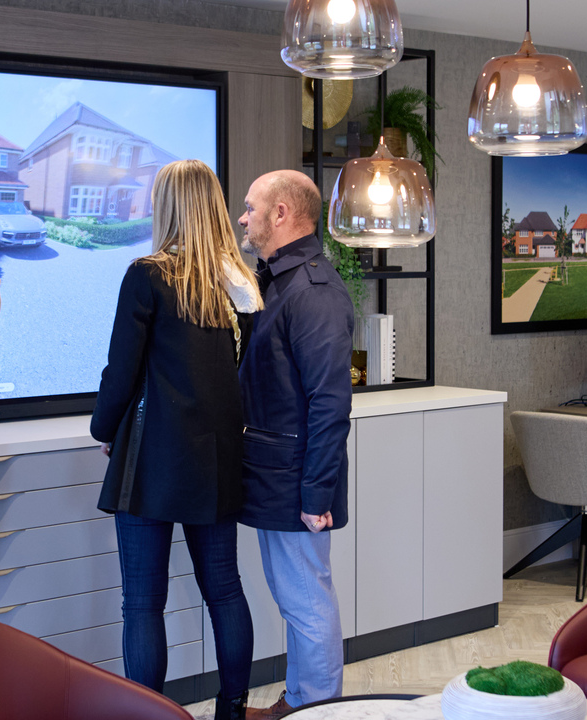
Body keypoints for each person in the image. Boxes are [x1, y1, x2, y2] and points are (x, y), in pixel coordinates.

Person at [90, 159, 261, 720]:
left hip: (153, 463)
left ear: (166, 206)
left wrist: (102, 428)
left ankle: (150, 716)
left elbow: (121, 371)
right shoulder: (241, 283)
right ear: (213, 205)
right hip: (218, 461)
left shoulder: (147, 274)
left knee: (142, 603)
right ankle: (232, 711)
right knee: (226, 590)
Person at [236, 170, 354, 718]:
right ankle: (301, 699)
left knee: (306, 601)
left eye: (251, 207)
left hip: (296, 481)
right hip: (273, 473)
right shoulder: (276, 282)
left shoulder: (313, 291)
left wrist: (316, 495)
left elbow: (331, 403)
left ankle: (319, 708)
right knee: (294, 598)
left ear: (281, 213)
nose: (243, 217)